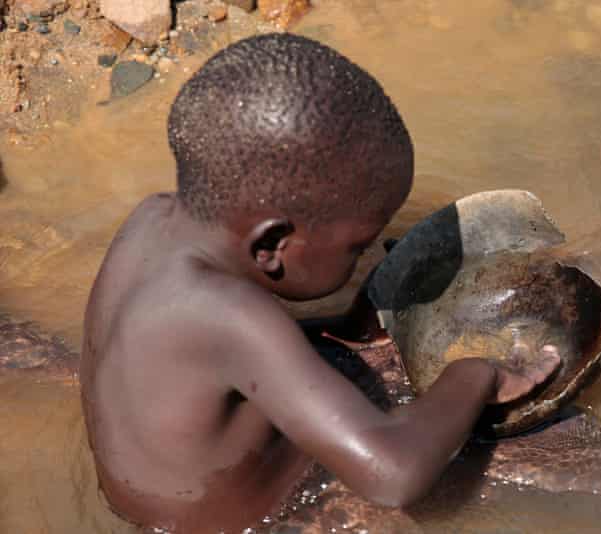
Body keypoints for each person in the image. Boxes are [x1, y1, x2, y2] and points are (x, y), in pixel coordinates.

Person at [79, 33, 560, 534]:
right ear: (272, 246)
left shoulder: (151, 220)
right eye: (356, 247)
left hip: (161, 495)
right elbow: (391, 475)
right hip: (252, 521)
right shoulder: (228, 315)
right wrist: (479, 375)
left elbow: (215, 359)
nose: (361, 259)